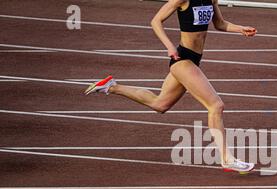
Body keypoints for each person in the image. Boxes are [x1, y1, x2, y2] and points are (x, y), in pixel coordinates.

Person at [85, 0, 257, 173]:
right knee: (216, 105)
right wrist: (169, 47)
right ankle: (226, 159)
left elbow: (220, 23)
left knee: (160, 104)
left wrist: (240, 29)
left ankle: (112, 86)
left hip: (193, 60)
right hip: (182, 59)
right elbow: (156, 21)